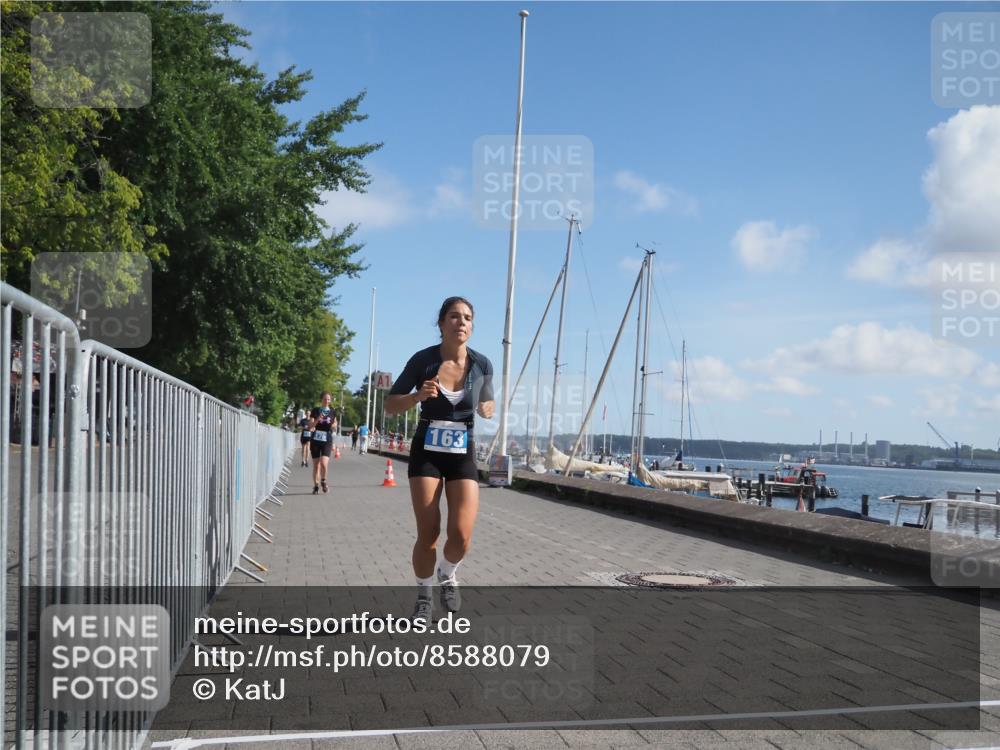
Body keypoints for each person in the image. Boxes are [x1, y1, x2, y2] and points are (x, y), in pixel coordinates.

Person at [384, 296, 494, 624]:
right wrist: (417, 396)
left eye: (467, 318)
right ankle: (423, 596)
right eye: (454, 317)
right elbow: (390, 405)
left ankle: (447, 573)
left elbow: (487, 401)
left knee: (461, 534)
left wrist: (489, 408)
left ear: (472, 326)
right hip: (427, 450)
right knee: (429, 531)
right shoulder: (423, 361)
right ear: (442, 324)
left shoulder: (482, 364)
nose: (462, 322)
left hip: (462, 451)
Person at [308, 392, 338, 494]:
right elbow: (310, 426)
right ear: (321, 400)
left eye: (328, 399)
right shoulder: (315, 410)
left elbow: (335, 424)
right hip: (316, 438)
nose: (327, 401)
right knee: (316, 465)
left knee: (324, 463)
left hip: (327, 438)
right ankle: (315, 486)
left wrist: (333, 426)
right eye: (325, 399)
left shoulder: (333, 411)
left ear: (330, 401)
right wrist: (317, 420)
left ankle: (323, 481)